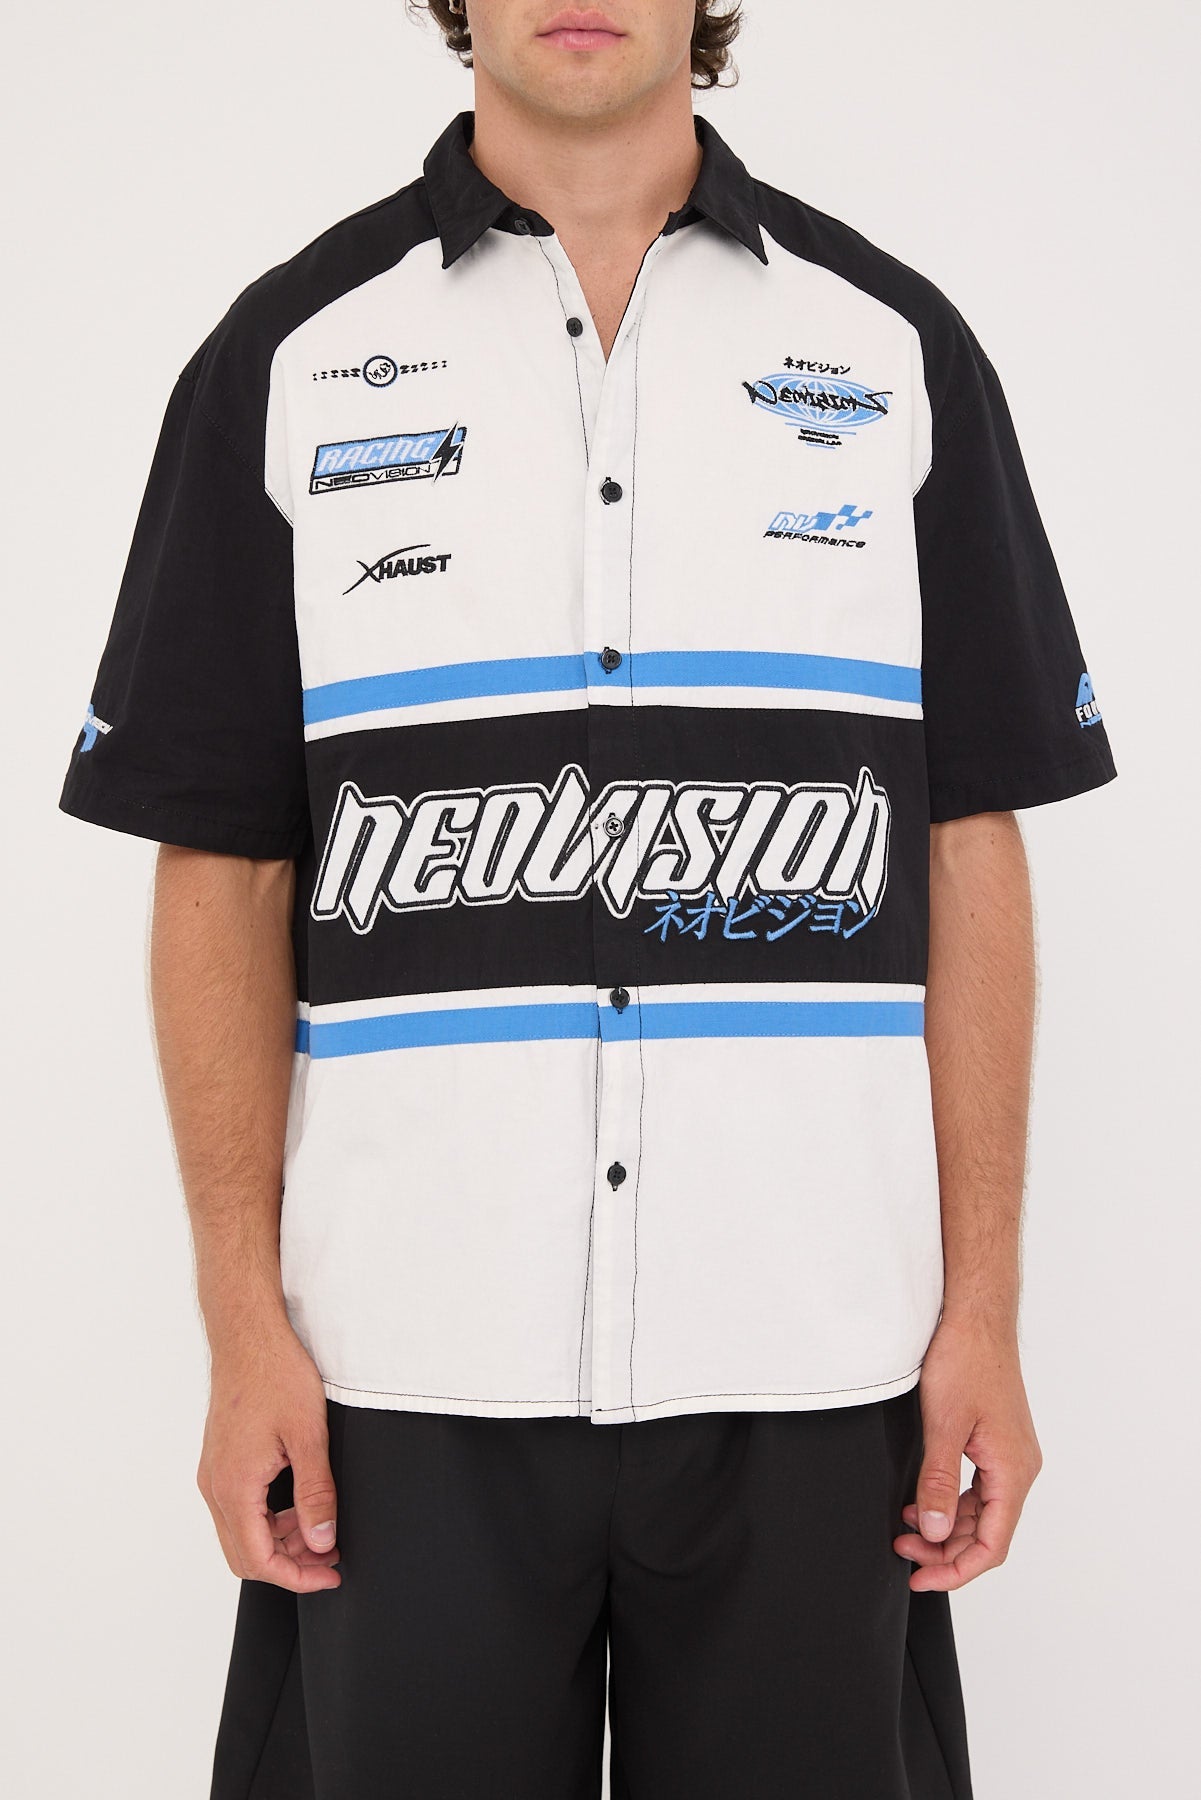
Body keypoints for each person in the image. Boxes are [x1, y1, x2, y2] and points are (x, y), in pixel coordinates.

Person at [57, 3, 1117, 1795]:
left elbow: (967, 840)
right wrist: (242, 1327)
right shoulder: (290, 351)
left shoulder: (889, 343)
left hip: (813, 1351)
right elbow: (220, 862)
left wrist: (984, 1312)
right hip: (403, 1371)